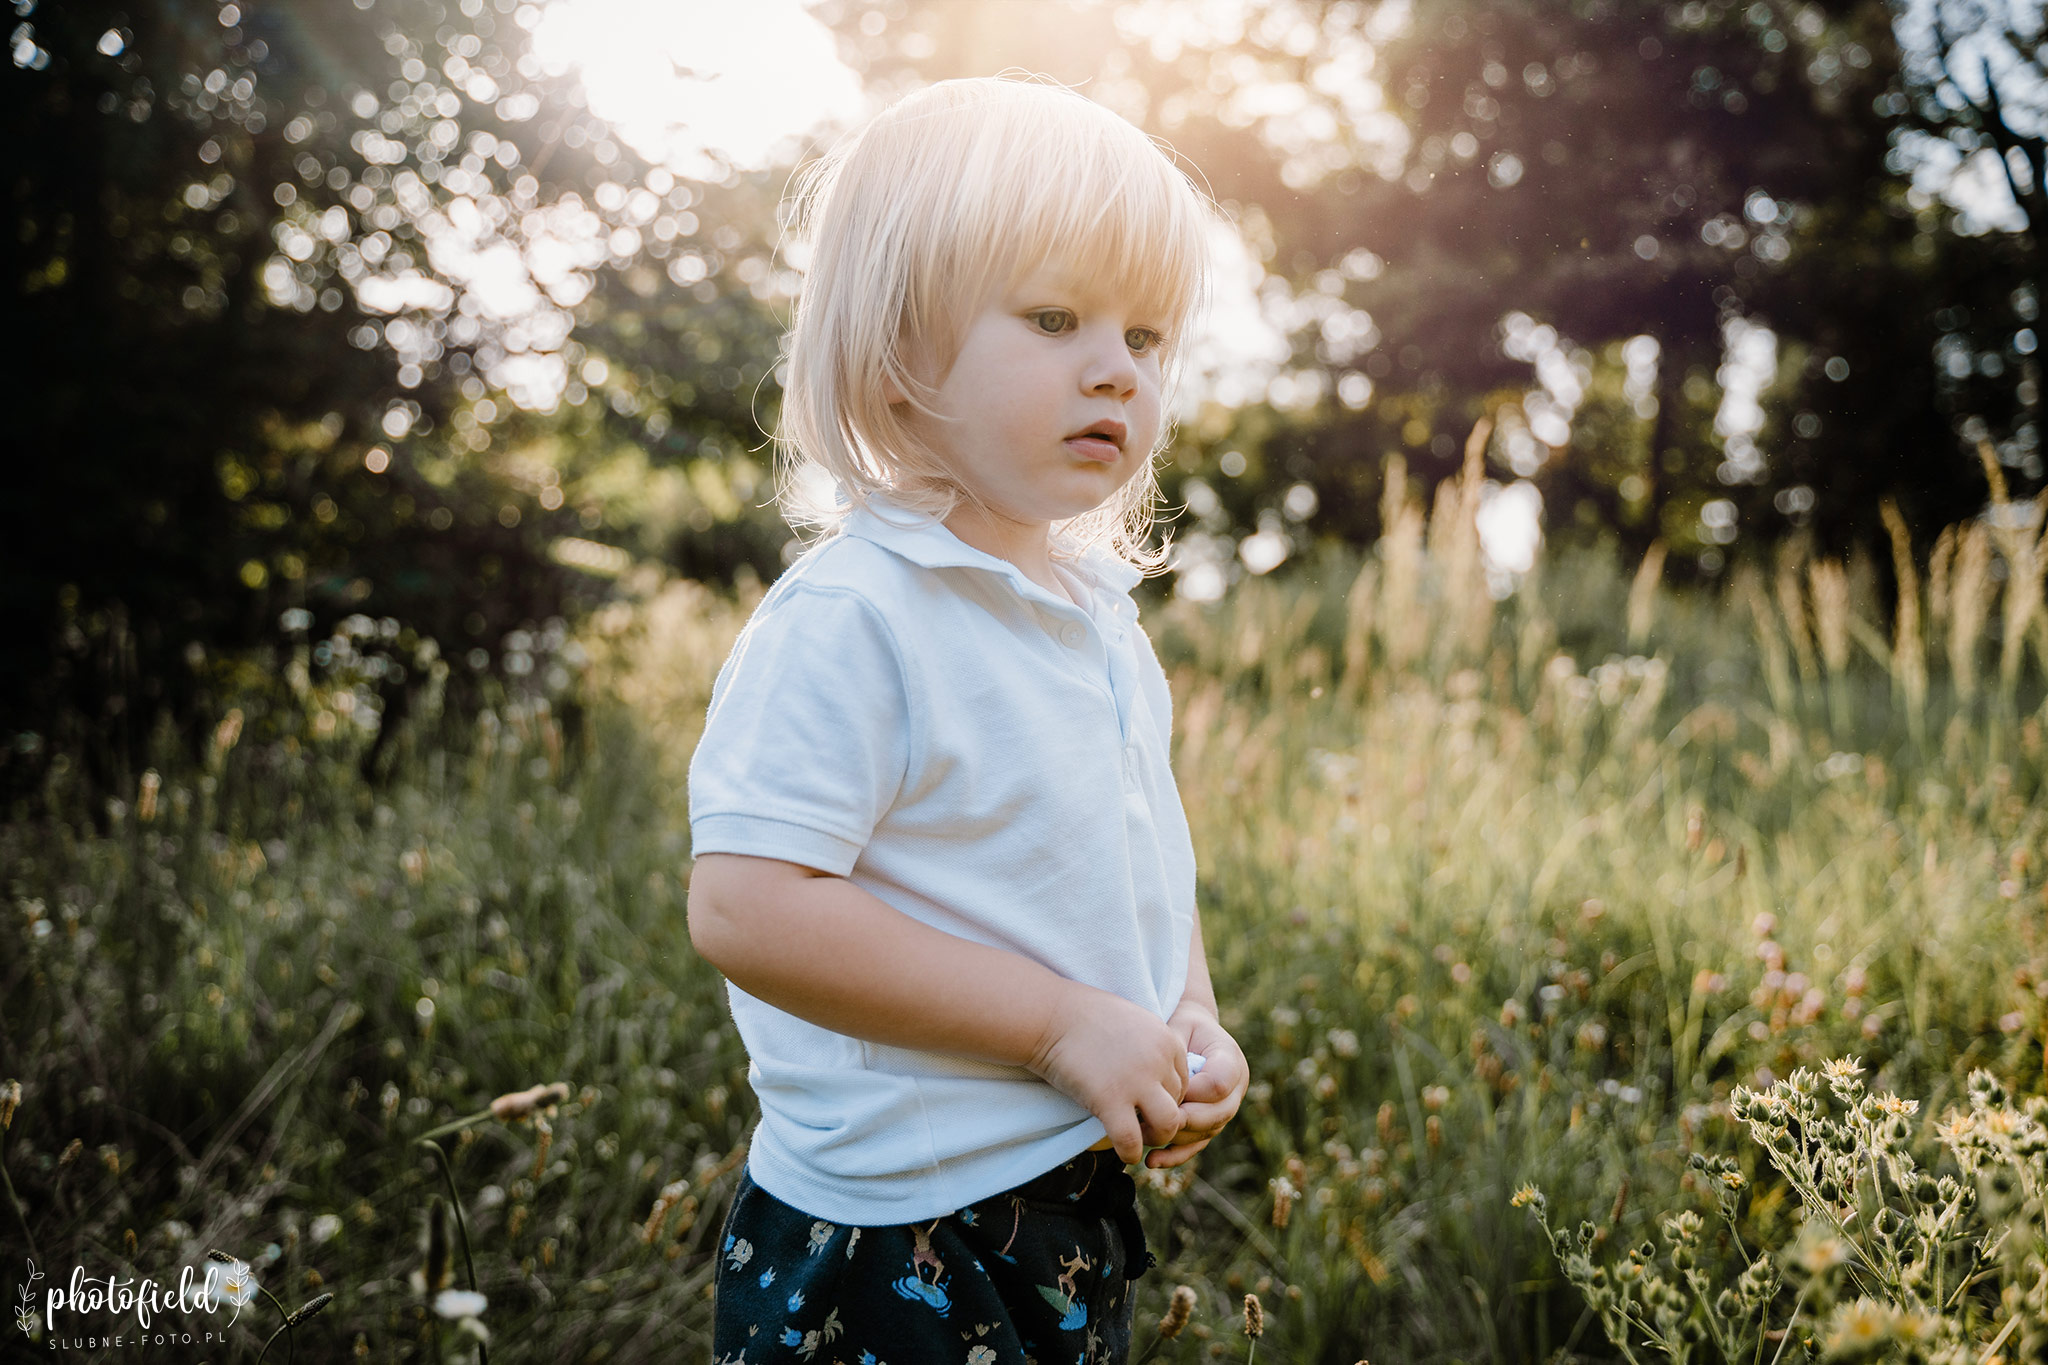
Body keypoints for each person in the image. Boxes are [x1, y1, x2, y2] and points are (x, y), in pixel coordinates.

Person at [685, 74, 1248, 1365]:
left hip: (1057, 1188)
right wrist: (1057, 1022)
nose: (1115, 367)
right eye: (1054, 317)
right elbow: (750, 905)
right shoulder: (855, 614)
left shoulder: (1095, 611)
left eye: (1148, 338)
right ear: (898, 356)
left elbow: (1136, 851)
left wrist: (1183, 1015)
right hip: (899, 1224)